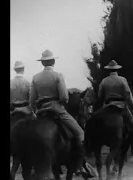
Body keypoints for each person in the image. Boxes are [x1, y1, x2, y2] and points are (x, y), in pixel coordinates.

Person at [29, 49, 95, 177]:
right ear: (53, 61)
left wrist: (36, 109)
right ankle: (79, 166)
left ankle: (32, 165)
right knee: (80, 133)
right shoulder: (58, 76)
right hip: (57, 110)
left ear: (42, 63)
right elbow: (64, 97)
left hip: (41, 112)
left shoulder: (35, 78)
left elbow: (31, 100)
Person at [98, 60, 133, 157]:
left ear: (108, 71)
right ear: (117, 69)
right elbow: (128, 95)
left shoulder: (104, 81)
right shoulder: (123, 80)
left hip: (107, 106)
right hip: (121, 106)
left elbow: (99, 95)